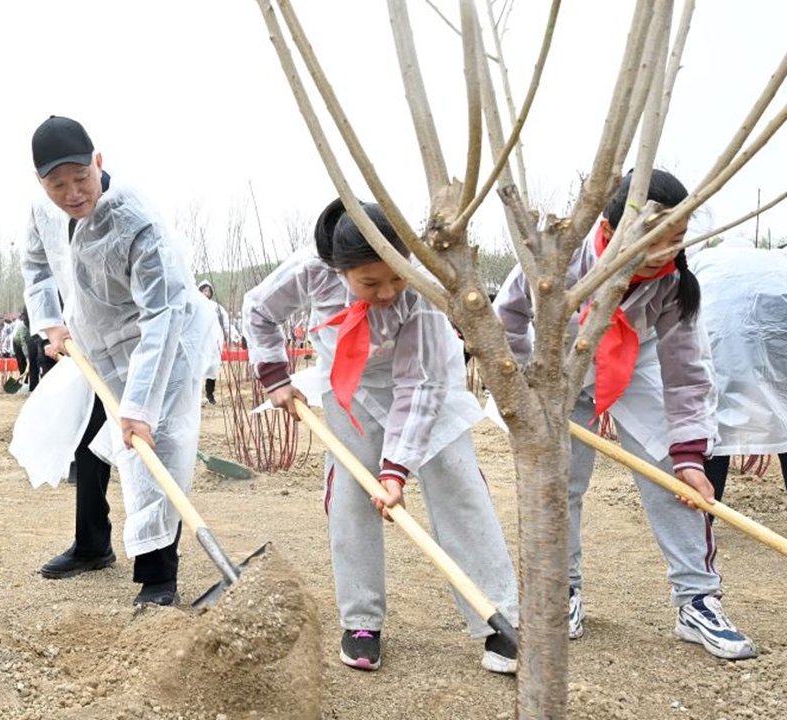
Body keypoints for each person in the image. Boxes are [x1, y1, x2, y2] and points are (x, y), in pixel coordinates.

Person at [243, 198, 519, 674]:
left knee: (460, 489)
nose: (388, 291)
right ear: (339, 270)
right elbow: (259, 310)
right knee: (352, 497)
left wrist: (395, 469)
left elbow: (420, 383)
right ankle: (362, 621)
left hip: (429, 384)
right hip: (348, 388)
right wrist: (275, 376)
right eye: (370, 283)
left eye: (395, 276)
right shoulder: (311, 270)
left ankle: (498, 619)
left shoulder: (421, 287)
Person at [494, 169, 757, 660]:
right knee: (560, 483)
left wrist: (690, 455)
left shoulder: (674, 283)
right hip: (558, 369)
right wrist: (525, 384)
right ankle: (562, 592)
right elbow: (506, 316)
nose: (670, 253)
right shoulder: (563, 255)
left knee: (674, 481)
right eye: (659, 241)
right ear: (612, 232)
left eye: (679, 239)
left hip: (637, 363)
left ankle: (697, 599)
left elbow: (686, 372)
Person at [21, 115, 211, 606]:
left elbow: (164, 314)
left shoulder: (134, 220)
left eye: (81, 179)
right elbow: (37, 263)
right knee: (88, 438)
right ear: (41, 183)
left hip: (163, 344)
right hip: (94, 343)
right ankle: (92, 544)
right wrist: (51, 323)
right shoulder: (43, 213)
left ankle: (158, 579)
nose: (72, 193)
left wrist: (141, 406)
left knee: (153, 448)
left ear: (98, 163)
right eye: (57, 185)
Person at [690, 237, 787, 499]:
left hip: (714, 354)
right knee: (783, 422)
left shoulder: (702, 260)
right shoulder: (776, 261)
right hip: (773, 358)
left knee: (713, 434)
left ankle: (703, 526)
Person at [197, 279, 230, 405]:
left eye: (208, 291)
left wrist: (233, 335)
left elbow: (226, 322)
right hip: (199, 342)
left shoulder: (216, 307)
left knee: (212, 368)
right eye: (203, 290)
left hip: (214, 342)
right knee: (197, 370)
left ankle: (210, 395)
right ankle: (195, 398)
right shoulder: (195, 305)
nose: (206, 293)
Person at [12, 310, 30, 380]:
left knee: (29, 366)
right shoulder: (22, 327)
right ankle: (24, 382)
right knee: (22, 363)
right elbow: (23, 343)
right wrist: (27, 357)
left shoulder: (31, 325)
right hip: (17, 345)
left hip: (27, 343)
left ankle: (26, 381)